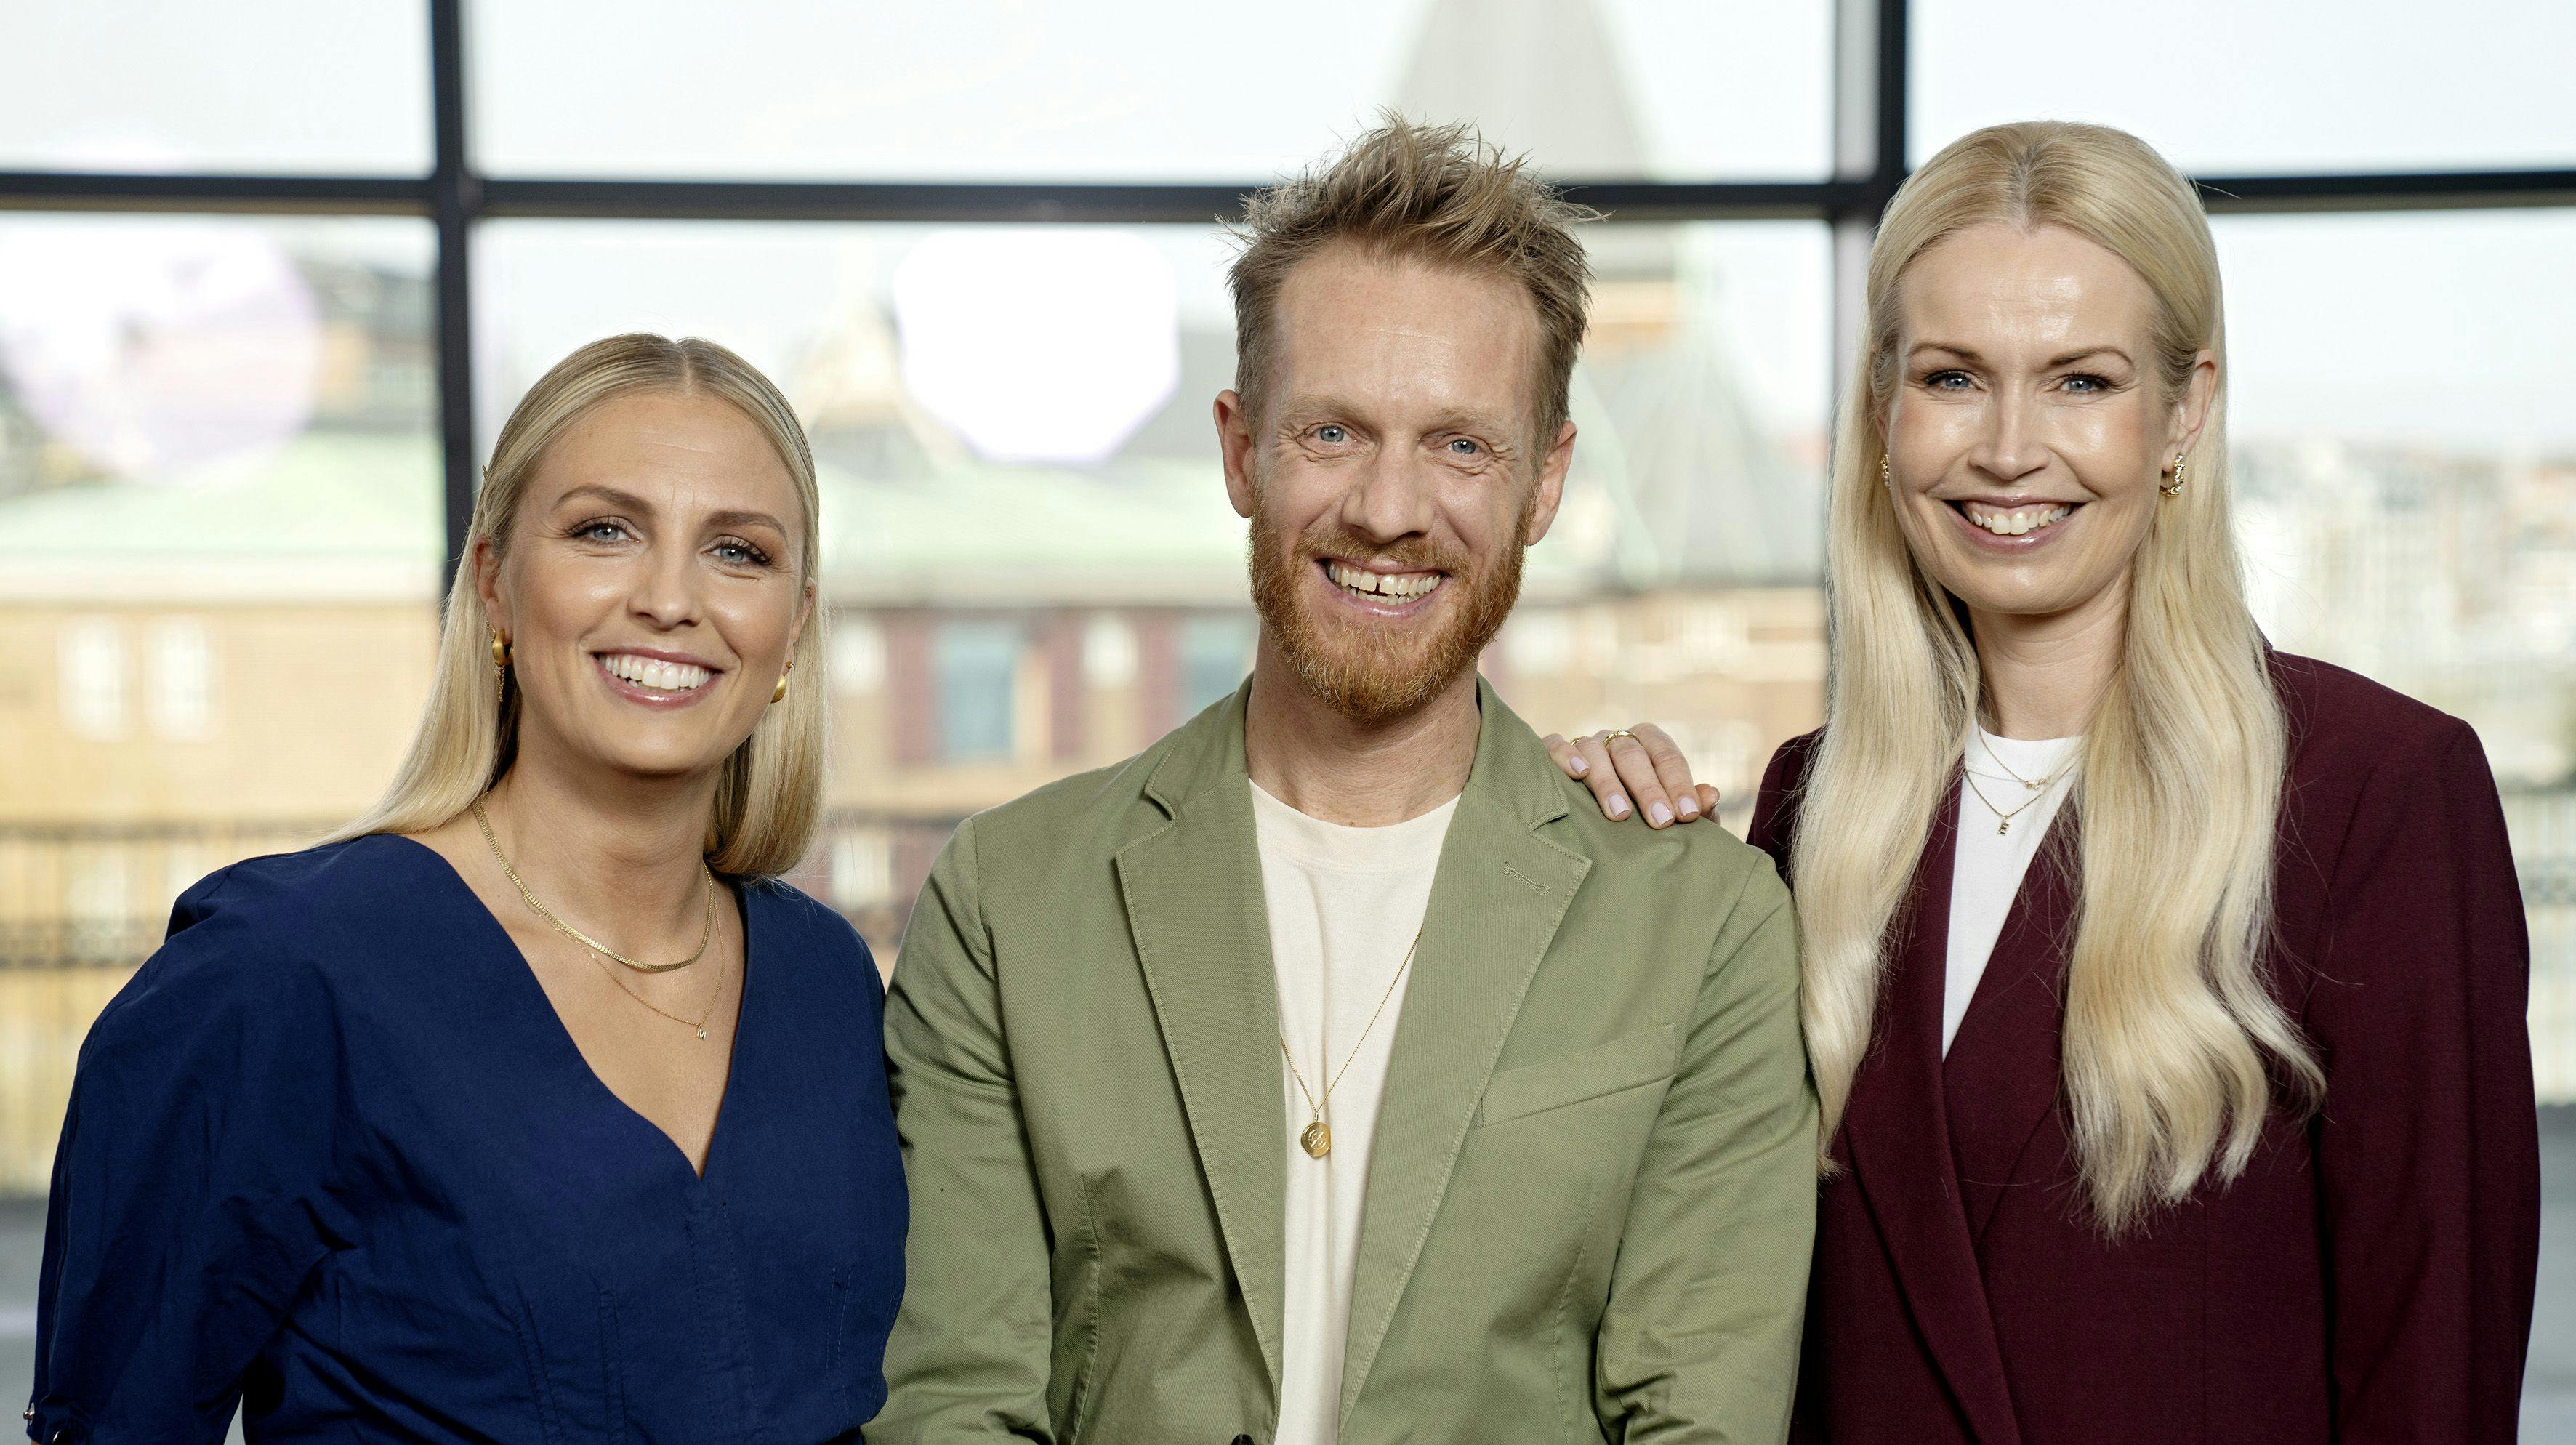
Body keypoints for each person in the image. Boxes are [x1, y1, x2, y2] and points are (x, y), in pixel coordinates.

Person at [1550, 121, 2540, 1442]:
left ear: (2185, 409)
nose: (2009, 449)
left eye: (2080, 382)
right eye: (1955, 378)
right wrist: (1577, 852)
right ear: (1884, 410)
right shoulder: (1814, 804)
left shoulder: (2377, 793)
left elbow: (2435, 1371)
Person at [874, 118, 1816, 1445]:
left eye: (1461, 446)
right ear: (1239, 449)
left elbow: (1700, 1421)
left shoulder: (1699, 923)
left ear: (1545, 480)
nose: (1389, 507)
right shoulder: (1007, 900)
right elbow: (957, 1407)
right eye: (1332, 431)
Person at [28, 334, 905, 1444]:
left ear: (793, 629)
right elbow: (118, 1418)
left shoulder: (824, 978)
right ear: (494, 582)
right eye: (604, 531)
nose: (672, 600)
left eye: (738, 551)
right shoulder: (278, 975)